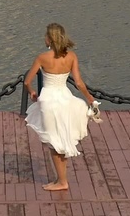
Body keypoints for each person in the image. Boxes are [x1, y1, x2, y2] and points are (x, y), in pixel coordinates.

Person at [24, 23, 96, 191]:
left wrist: (31, 92)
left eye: (45, 36)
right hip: (65, 98)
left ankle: (62, 182)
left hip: (48, 101)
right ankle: (61, 180)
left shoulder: (42, 58)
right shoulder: (71, 57)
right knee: (60, 139)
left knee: (54, 142)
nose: (44, 38)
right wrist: (90, 99)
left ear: (50, 39)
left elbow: (27, 81)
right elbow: (78, 82)